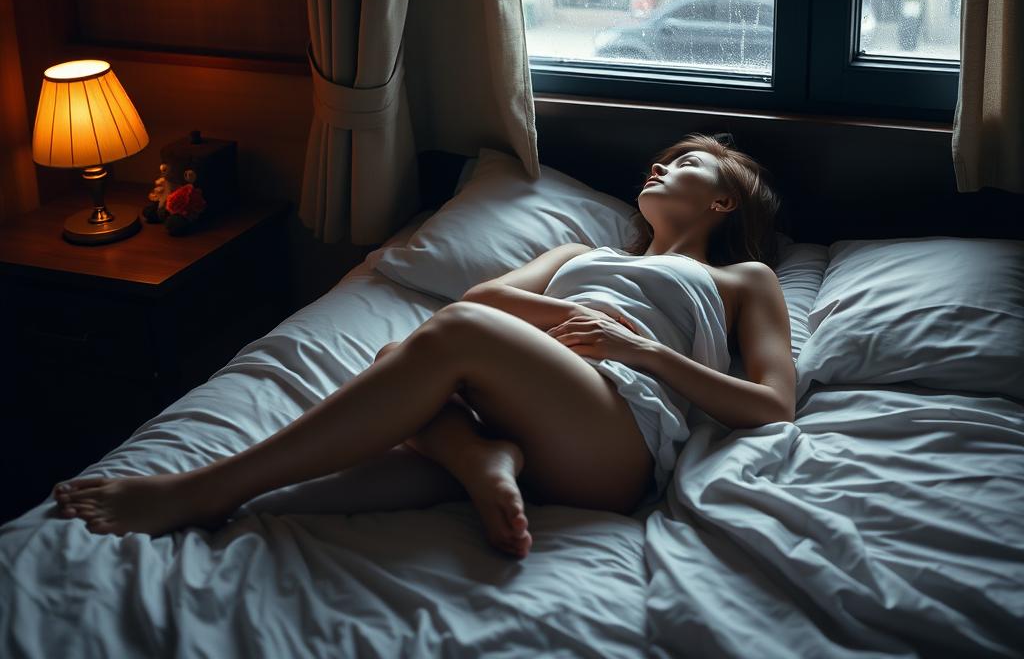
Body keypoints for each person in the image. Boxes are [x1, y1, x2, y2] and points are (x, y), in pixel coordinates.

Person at [52, 132, 795, 560]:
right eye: (658, 161)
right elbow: (481, 299)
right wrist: (561, 319)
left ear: (723, 200)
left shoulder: (742, 279)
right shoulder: (578, 253)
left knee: (446, 343)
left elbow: (774, 405)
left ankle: (206, 488)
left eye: (684, 164)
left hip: (615, 434)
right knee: (396, 362)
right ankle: (478, 459)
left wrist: (641, 351)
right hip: (533, 397)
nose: (658, 168)